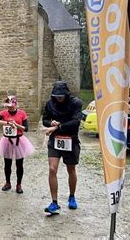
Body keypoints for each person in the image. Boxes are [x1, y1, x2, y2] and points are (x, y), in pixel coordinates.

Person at [42, 81, 82, 216]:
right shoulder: (49, 103)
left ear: (66, 94)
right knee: (52, 169)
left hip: (71, 139)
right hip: (55, 140)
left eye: (61, 96)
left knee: (71, 169)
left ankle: (72, 196)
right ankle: (54, 202)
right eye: (56, 96)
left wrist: (58, 126)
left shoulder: (76, 103)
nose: (58, 98)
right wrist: (51, 123)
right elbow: (45, 120)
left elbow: (76, 122)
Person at [0, 95, 34, 194]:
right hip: (7, 140)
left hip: (19, 140)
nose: (9, 108)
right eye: (8, 106)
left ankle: (19, 184)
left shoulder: (22, 113)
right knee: (7, 164)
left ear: (16, 105)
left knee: (19, 164)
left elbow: (26, 128)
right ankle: (7, 183)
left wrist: (16, 125)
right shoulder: (3, 113)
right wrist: (7, 122)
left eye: (11, 106)